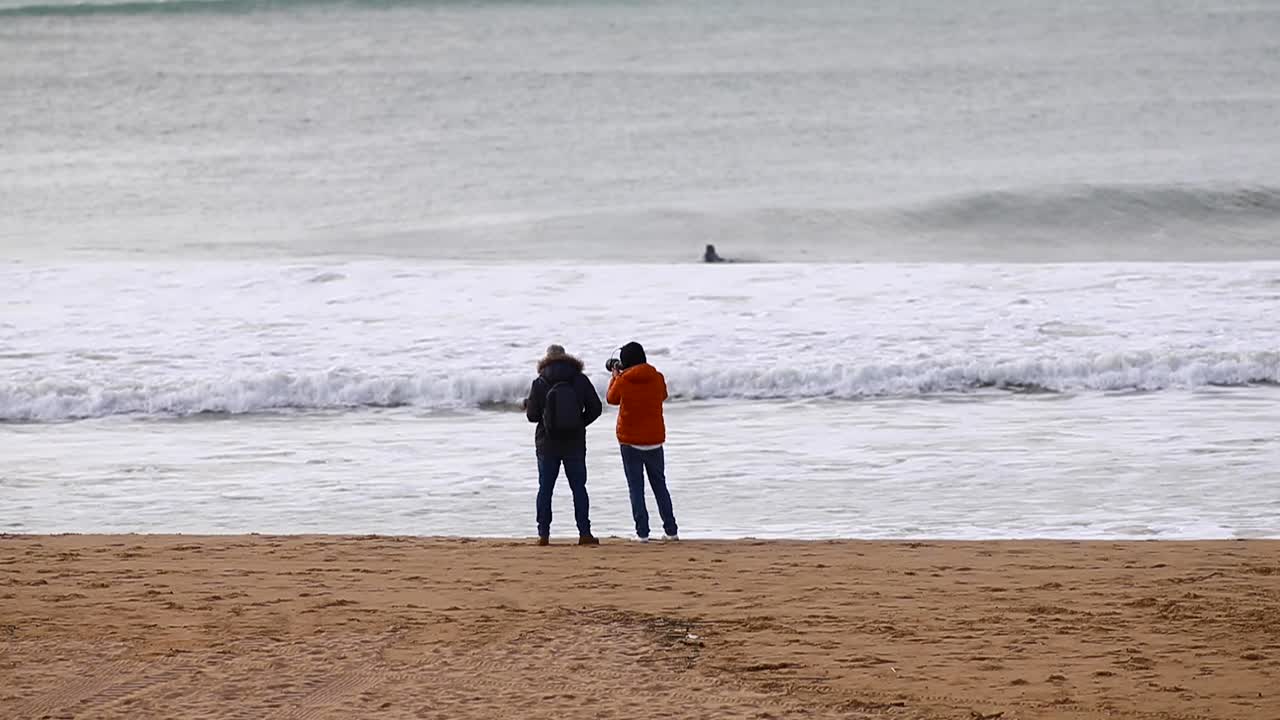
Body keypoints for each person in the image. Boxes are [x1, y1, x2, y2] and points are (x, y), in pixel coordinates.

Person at [524, 344, 603, 546]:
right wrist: (579, 423)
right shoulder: (580, 379)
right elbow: (596, 408)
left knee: (545, 489)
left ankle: (543, 534)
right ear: (566, 357)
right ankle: (584, 533)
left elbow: (532, 416)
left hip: (547, 444)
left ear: (546, 359)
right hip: (574, 443)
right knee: (578, 488)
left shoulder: (539, 382)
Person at [606, 341, 679, 542]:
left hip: (630, 440)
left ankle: (643, 533)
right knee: (660, 486)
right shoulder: (657, 377)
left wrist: (615, 377)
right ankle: (671, 530)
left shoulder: (623, 380)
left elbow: (611, 399)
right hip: (654, 439)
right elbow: (663, 395)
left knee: (636, 488)